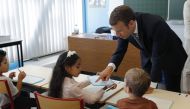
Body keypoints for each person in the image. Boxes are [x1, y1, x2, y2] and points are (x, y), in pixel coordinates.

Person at [97, 5, 187, 92]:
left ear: (131, 23)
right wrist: (109, 68)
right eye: (115, 31)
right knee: (146, 90)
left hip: (171, 57)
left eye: (119, 31)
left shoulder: (155, 23)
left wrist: (152, 83)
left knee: (171, 92)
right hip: (149, 57)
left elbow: (157, 57)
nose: (117, 35)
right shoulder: (123, 26)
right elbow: (120, 51)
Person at [48, 51, 114, 105]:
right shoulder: (72, 88)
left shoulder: (59, 80)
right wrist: (105, 87)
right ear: (67, 68)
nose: (81, 69)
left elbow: (78, 85)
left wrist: (93, 78)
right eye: (77, 66)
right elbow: (92, 99)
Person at [181, 0, 190, 93]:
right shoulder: (188, 4)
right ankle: (186, 91)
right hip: (189, 40)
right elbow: (188, 23)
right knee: (187, 68)